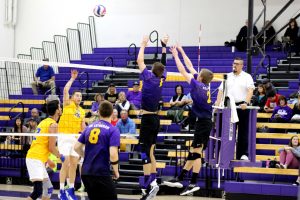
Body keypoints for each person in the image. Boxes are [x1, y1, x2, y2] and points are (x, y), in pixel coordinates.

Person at [163, 45, 213, 196]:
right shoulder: (205, 85)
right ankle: (181, 178)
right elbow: (190, 65)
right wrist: (181, 50)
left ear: (201, 77)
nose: (196, 74)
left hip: (204, 122)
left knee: (196, 152)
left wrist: (175, 55)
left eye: (198, 74)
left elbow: (183, 70)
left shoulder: (197, 85)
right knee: (193, 151)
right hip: (204, 122)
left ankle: (193, 182)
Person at [137, 34, 168, 200]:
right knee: (151, 151)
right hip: (156, 119)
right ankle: (153, 183)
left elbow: (139, 61)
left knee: (144, 152)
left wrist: (143, 45)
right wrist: (163, 46)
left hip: (148, 119)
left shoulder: (149, 79)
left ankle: (149, 185)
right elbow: (163, 64)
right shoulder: (162, 79)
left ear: (152, 71)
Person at [74, 101, 120, 200]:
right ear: (112, 113)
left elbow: (76, 147)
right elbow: (113, 154)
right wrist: (116, 171)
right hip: (101, 172)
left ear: (98, 112)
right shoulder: (113, 130)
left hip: (86, 173)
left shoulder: (89, 127)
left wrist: (86, 156)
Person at [215, 57, 255, 160]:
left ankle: (243, 154)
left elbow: (250, 90)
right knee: (227, 132)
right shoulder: (227, 76)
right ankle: (224, 154)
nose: (235, 65)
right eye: (234, 63)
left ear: (242, 65)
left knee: (243, 131)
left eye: (237, 64)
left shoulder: (247, 76)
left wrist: (246, 102)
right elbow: (220, 91)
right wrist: (217, 105)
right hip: (229, 106)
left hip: (242, 107)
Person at [26, 100, 65, 200]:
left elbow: (41, 144)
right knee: (37, 191)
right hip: (35, 159)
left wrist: (48, 160)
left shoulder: (44, 122)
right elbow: (51, 148)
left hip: (37, 157)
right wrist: (61, 157)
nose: (61, 109)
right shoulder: (53, 125)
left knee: (48, 189)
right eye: (60, 107)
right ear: (57, 111)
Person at [58, 70, 86, 200]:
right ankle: (61, 189)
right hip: (64, 136)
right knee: (66, 163)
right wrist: (72, 79)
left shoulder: (81, 111)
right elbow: (65, 90)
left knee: (74, 164)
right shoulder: (67, 104)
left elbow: (83, 127)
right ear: (72, 97)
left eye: (80, 96)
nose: (79, 98)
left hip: (75, 137)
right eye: (77, 95)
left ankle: (70, 189)